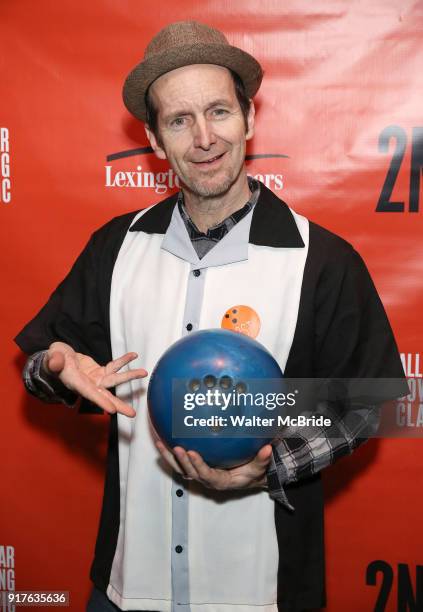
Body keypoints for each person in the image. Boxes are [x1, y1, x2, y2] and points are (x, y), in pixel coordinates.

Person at [15, 21, 407, 612]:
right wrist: (54, 365)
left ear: (249, 118)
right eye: (179, 120)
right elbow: (44, 362)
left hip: (262, 594)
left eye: (219, 112)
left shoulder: (321, 259)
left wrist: (272, 465)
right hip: (128, 589)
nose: (204, 138)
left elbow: (366, 399)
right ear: (153, 139)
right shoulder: (115, 249)